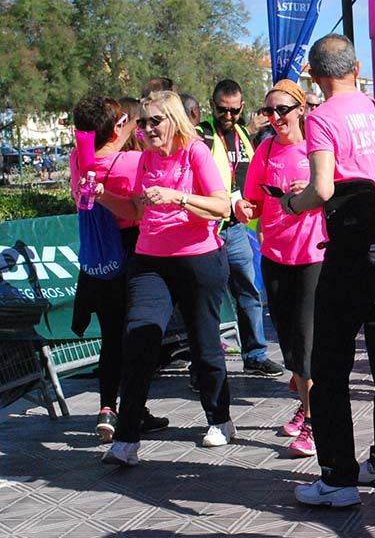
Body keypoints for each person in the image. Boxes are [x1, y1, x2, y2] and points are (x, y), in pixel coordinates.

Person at [281, 34, 375, 508]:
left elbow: (319, 188)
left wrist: (293, 204)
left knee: (331, 367)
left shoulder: (320, 119)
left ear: (315, 77)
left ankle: (338, 478)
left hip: (349, 254)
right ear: (357, 67)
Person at [101, 91, 233, 466]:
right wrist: (103, 195)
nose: (146, 129)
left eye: (154, 121)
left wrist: (178, 197)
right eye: (141, 123)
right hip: (150, 260)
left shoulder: (196, 153)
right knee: (139, 339)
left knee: (205, 345)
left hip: (198, 259)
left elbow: (221, 205)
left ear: (174, 120)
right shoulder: (144, 159)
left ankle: (220, 419)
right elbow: (136, 211)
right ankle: (126, 440)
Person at [235, 80, 326, 458]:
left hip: (313, 256)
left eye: (282, 110)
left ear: (301, 109)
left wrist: (313, 188)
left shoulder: (317, 147)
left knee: (305, 346)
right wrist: (241, 209)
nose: (274, 119)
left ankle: (315, 422)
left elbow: (336, 192)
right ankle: (306, 405)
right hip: (274, 255)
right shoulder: (267, 148)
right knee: (289, 344)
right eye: (268, 112)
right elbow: (254, 201)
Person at [69, 96, 168, 443]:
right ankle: (132, 409)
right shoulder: (131, 161)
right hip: (130, 249)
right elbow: (139, 212)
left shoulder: (78, 160)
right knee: (138, 334)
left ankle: (109, 407)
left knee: (111, 335)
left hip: (97, 257)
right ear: (115, 127)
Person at [198, 80, 283, 377]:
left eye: (234, 111)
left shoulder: (245, 135)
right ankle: (204, 366)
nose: (229, 116)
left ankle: (256, 354)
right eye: (223, 110)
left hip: (236, 230)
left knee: (249, 292)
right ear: (213, 104)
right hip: (206, 229)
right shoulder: (202, 135)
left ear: (242, 108)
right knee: (206, 299)